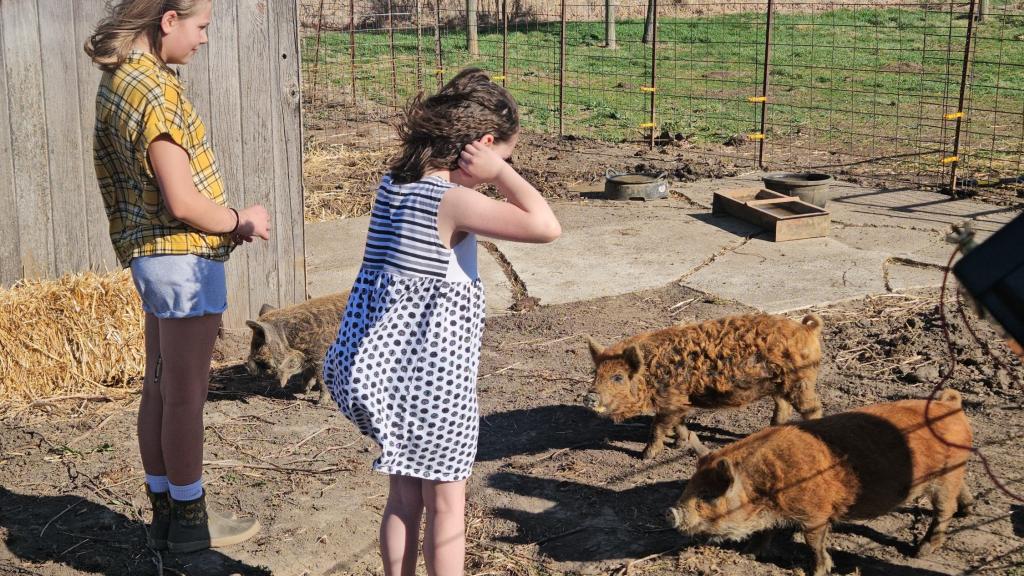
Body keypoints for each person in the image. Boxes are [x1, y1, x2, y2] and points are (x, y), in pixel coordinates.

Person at [323, 68, 561, 576]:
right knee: (449, 507)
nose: (507, 166)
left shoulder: (394, 185)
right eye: (507, 153)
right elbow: (545, 226)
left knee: (403, 499)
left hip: (379, 371)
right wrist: (502, 175)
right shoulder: (451, 201)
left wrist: (494, 168)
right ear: (484, 144)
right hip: (432, 382)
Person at [85, 0, 271, 553]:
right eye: (201, 27)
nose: (204, 39)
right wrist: (241, 220)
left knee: (160, 389)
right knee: (186, 397)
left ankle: (166, 512)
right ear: (168, 20)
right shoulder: (157, 93)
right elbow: (185, 202)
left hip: (152, 259)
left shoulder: (120, 80)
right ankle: (191, 524)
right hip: (184, 259)